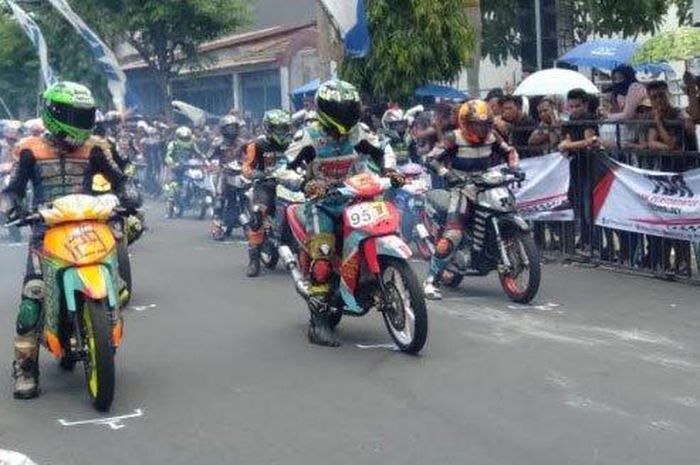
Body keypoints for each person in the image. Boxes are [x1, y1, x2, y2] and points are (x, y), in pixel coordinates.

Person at [0, 82, 129, 400]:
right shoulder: (29, 148)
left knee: (118, 279)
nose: (83, 121)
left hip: (88, 224)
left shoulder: (96, 147)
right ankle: (26, 368)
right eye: (76, 114)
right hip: (46, 228)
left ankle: (104, 328)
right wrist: (11, 205)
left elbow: (120, 180)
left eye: (86, 114)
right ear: (55, 113)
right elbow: (14, 187)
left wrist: (129, 194)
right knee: (33, 297)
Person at [285, 79, 400, 346]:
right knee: (323, 257)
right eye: (341, 109)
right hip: (321, 204)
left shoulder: (359, 132)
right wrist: (306, 182)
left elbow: (385, 149)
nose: (347, 114)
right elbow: (284, 166)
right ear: (326, 109)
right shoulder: (308, 136)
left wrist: (391, 170)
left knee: (381, 229)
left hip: (356, 196)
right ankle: (318, 324)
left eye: (351, 108)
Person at [422, 100, 519, 300]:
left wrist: (514, 168)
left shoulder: (492, 137)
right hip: (462, 189)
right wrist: (446, 174)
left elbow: (509, 151)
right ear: (465, 122)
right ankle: (431, 280)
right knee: (453, 235)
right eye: (476, 124)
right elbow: (431, 159)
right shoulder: (453, 138)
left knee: (509, 210)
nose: (481, 129)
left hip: (487, 184)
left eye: (484, 124)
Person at [241, 109, 293, 277]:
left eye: (284, 128)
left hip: (291, 184)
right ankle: (254, 259)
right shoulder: (257, 144)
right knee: (257, 215)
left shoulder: (294, 143)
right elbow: (247, 166)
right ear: (268, 128)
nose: (282, 132)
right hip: (266, 185)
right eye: (278, 128)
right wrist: (253, 173)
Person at [209, 115, 244, 236]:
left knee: (249, 195)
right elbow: (210, 157)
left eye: (234, 128)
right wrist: (215, 165)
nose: (232, 131)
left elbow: (250, 157)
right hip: (223, 173)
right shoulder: (218, 143)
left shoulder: (243, 143)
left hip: (240, 173)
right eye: (229, 128)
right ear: (223, 129)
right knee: (220, 199)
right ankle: (217, 224)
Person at [164, 126, 205, 213]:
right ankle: (172, 200)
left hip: (188, 167)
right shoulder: (173, 144)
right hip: (177, 167)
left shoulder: (192, 144)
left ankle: (194, 196)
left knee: (197, 179)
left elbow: (198, 152)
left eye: (187, 138)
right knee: (174, 184)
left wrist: (203, 158)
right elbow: (168, 156)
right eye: (183, 138)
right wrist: (172, 163)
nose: (185, 140)